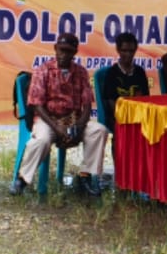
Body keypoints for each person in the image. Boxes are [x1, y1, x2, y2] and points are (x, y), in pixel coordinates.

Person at [14, 33, 107, 194]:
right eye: (62, 50)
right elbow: (37, 106)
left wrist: (78, 127)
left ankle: (85, 176)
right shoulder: (43, 70)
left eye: (69, 51)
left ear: (75, 52)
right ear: (55, 49)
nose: (65, 55)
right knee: (41, 140)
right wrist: (57, 128)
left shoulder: (81, 72)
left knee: (99, 130)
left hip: (73, 119)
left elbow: (86, 105)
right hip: (48, 119)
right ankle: (22, 179)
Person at [95, 31, 150, 122]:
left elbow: (146, 99)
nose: (128, 54)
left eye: (131, 51)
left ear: (135, 50)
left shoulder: (140, 72)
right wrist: (124, 117)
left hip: (139, 117)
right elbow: (111, 102)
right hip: (119, 119)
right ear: (118, 50)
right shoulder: (111, 73)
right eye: (124, 51)